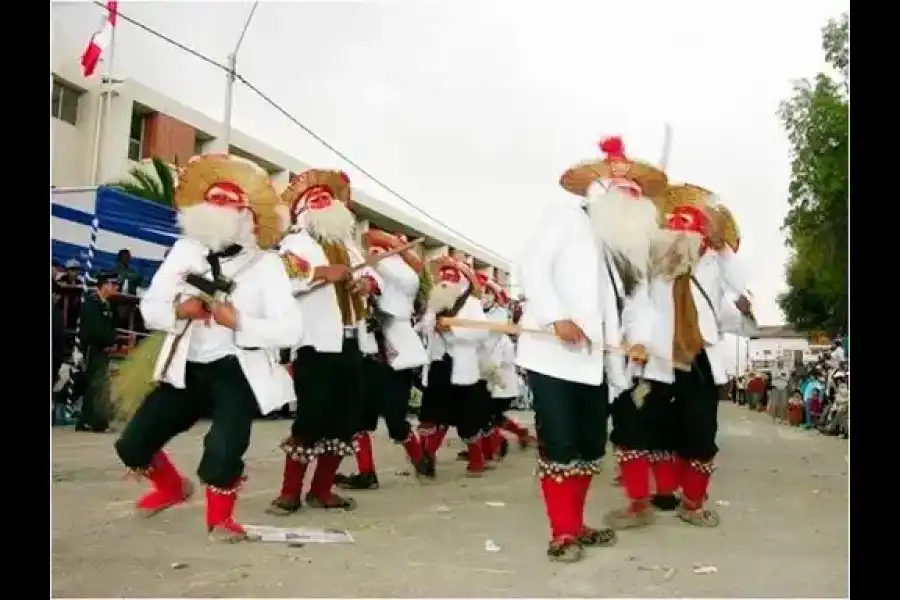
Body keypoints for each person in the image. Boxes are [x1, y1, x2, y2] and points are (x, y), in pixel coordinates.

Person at [113, 154, 303, 542]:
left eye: (227, 206)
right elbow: (150, 308)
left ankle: (221, 520)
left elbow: (291, 329)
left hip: (237, 366)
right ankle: (170, 488)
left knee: (223, 447)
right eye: (212, 204)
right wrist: (178, 310)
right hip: (186, 364)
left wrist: (241, 323)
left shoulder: (266, 265)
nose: (217, 212)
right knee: (133, 445)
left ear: (245, 217)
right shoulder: (184, 251)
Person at [516, 136, 668, 561]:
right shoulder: (566, 220)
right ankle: (561, 532)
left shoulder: (630, 251)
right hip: (553, 356)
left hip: (599, 363)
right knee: (560, 444)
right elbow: (534, 267)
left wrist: (639, 340)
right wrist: (556, 316)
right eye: (622, 191)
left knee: (587, 446)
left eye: (636, 194)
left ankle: (575, 523)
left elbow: (639, 305)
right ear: (600, 193)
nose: (631, 200)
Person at [622, 183, 752, 529]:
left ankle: (693, 501)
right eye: (674, 224)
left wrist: (722, 246)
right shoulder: (652, 263)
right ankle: (663, 492)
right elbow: (638, 306)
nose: (681, 231)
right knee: (656, 427)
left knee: (700, 432)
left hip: (700, 355)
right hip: (658, 356)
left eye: (689, 225)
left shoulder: (714, 261)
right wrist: (636, 341)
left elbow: (741, 285)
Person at [268, 169, 383, 515]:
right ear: (302, 210)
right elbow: (281, 277)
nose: (323, 203)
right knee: (311, 420)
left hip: (351, 343)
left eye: (327, 198)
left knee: (345, 420)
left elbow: (373, 277)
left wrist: (367, 286)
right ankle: (290, 492)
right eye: (315, 200)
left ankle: (322, 490)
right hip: (315, 346)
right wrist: (320, 274)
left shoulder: (349, 245)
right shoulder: (295, 243)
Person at [334, 228, 432, 490]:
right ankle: (367, 473)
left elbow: (399, 279)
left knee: (395, 421)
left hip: (394, 356)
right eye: (374, 249)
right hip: (368, 353)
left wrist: (380, 262)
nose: (376, 252)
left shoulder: (404, 275)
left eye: (382, 249)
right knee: (358, 418)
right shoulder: (372, 267)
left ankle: (421, 460)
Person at [415, 256, 491, 477]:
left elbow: (482, 332)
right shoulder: (436, 302)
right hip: (439, 365)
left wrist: (454, 331)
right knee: (434, 413)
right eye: (443, 275)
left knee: (467, 417)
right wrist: (429, 326)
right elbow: (424, 325)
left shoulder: (471, 304)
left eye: (452, 275)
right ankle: (427, 457)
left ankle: (477, 460)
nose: (445, 280)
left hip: (463, 368)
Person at [73, 271, 119, 432]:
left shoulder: (107, 304)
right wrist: (107, 340)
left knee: (96, 385)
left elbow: (111, 328)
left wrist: (113, 340)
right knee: (98, 386)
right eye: (113, 284)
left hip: (103, 350)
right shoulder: (91, 304)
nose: (116, 287)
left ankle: (86, 420)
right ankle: (98, 422)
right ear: (104, 284)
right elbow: (92, 331)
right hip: (93, 350)